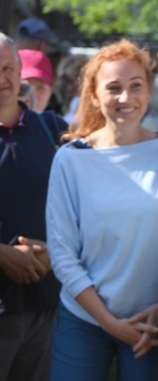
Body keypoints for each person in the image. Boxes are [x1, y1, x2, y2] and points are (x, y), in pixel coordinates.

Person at [46, 39, 158, 380]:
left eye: (136, 86)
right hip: (84, 321)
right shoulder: (71, 159)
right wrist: (109, 323)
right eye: (114, 88)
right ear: (93, 95)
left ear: (149, 90)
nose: (126, 98)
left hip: (155, 323)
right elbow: (62, 253)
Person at [0, 32, 66, 381]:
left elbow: (87, 208)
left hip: (44, 308)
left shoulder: (53, 130)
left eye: (8, 68)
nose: (2, 79)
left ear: (20, 69)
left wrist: (56, 253)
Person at [19, 49, 55, 113]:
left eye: (40, 89)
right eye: (25, 87)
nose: (34, 96)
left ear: (51, 91)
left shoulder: (57, 122)